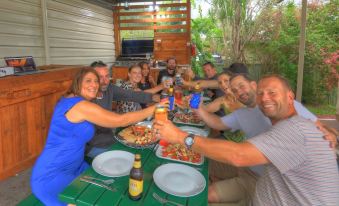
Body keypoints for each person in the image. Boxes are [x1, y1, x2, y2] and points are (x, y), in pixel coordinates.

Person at [154, 74, 339, 205]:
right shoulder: (246, 113)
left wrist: (179, 137)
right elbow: (217, 123)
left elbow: (238, 155)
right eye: (234, 89)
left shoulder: (294, 126)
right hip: (258, 179)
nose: (265, 98)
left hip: (255, 179)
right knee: (200, 165)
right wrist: (199, 109)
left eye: (272, 93)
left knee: (197, 194)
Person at [31, 68, 165, 206]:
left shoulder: (74, 99)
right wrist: (155, 108)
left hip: (78, 167)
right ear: (77, 82)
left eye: (96, 81)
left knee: (106, 195)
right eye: (88, 81)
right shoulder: (80, 105)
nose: (94, 85)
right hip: (53, 174)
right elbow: (119, 120)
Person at [86, 61, 160, 158]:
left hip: (112, 138)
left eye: (107, 76)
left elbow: (131, 95)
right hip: (95, 146)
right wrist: (155, 108)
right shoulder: (87, 98)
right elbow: (118, 121)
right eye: (100, 77)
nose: (105, 81)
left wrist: (156, 98)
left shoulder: (109, 88)